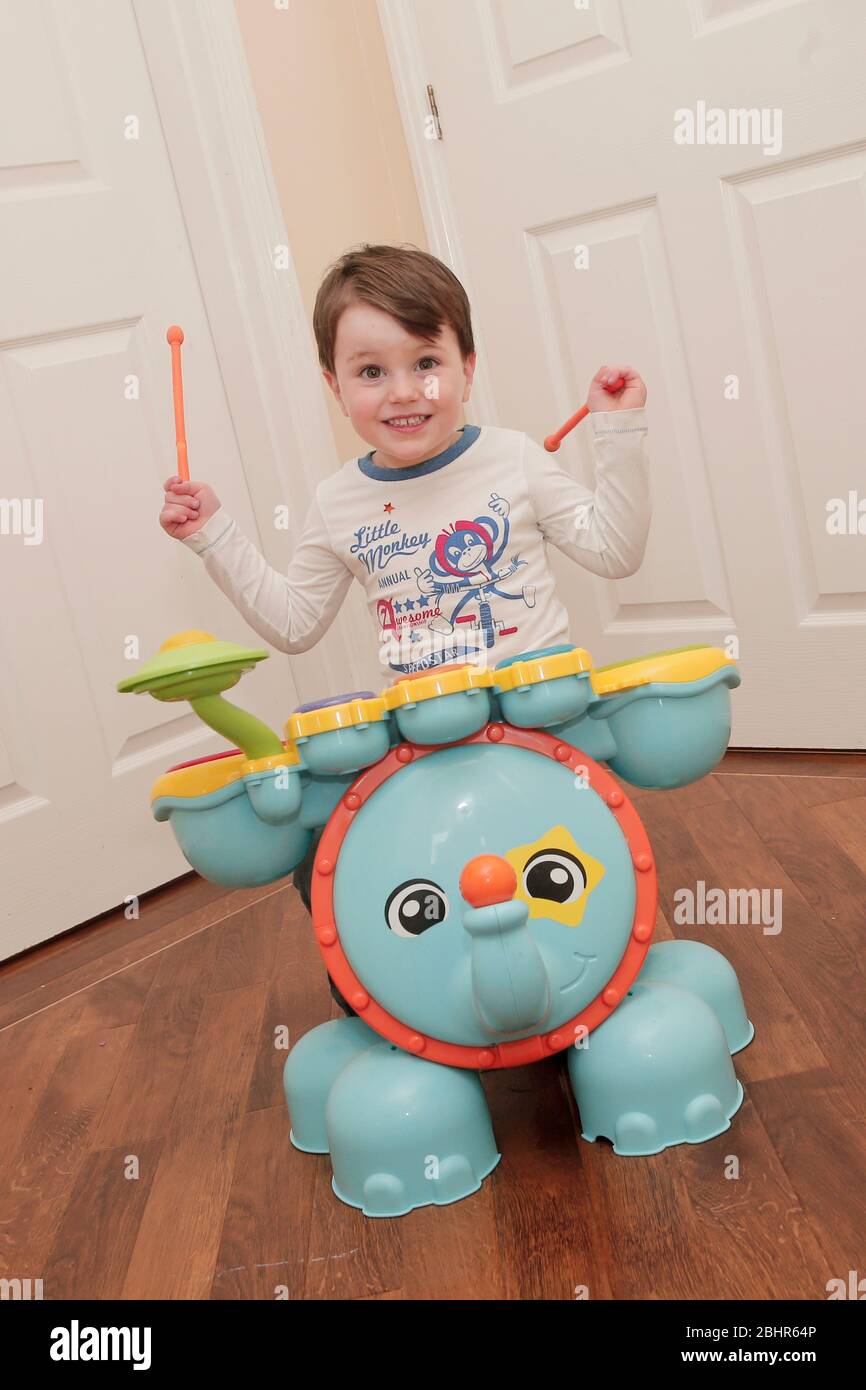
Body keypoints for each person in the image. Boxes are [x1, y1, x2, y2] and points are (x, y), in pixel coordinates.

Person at [160, 243, 650, 1016]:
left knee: (561, 871)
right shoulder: (338, 503)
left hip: (544, 732)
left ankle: (591, 975)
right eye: (370, 372)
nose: (404, 393)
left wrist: (619, 435)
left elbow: (615, 552)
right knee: (328, 854)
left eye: (426, 361)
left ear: (467, 366)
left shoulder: (514, 460)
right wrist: (213, 534)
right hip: (428, 748)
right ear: (334, 385)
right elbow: (293, 624)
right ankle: (405, 993)